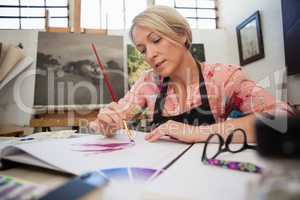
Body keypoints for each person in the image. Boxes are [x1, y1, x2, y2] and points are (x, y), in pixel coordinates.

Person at [89, 5, 294, 143]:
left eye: (156, 40)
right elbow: (118, 114)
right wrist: (107, 122)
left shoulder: (223, 76)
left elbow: (283, 118)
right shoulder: (148, 83)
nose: (150, 55)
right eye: (142, 50)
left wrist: (194, 132)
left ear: (182, 35)